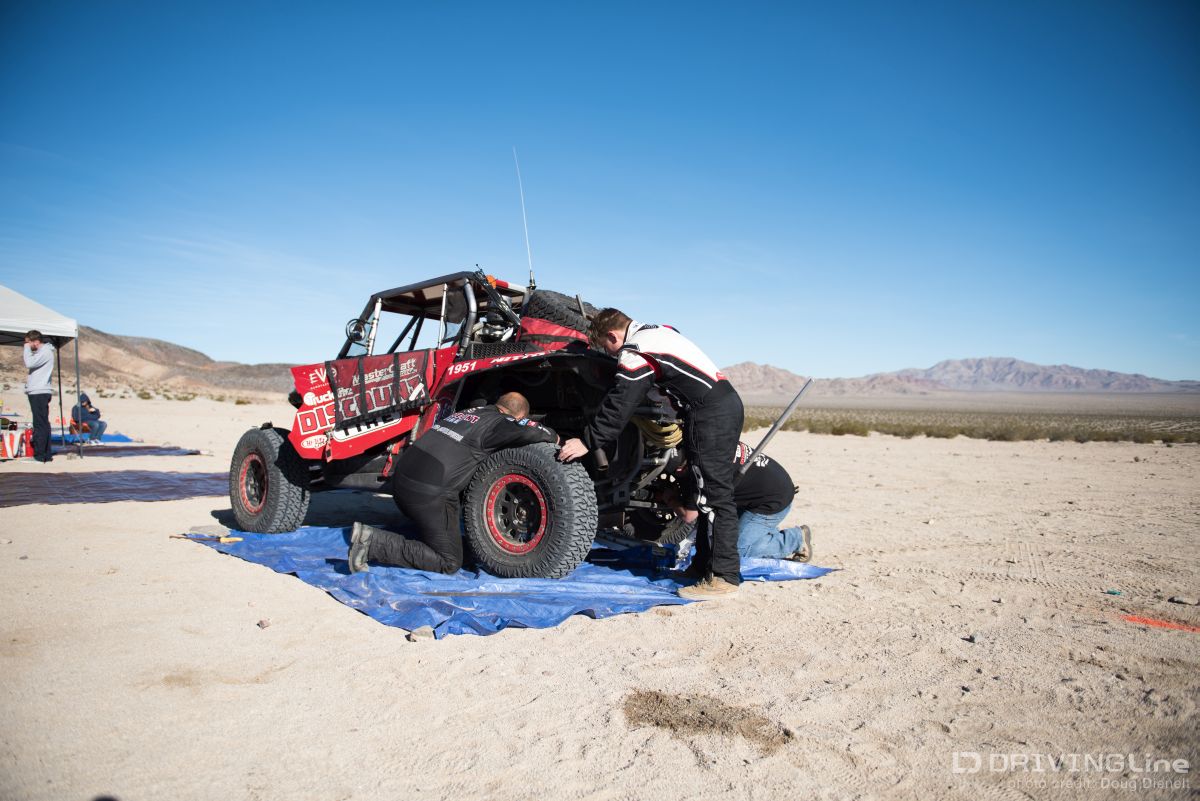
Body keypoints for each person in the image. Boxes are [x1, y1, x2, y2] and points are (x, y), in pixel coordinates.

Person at [558, 308, 745, 599]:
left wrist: (588, 440)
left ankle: (723, 577)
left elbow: (621, 402)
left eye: (607, 348)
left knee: (713, 495)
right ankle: (702, 568)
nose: (610, 355)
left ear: (613, 335)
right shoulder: (660, 331)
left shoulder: (636, 350)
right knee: (702, 491)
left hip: (711, 413)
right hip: (718, 406)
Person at [348, 392, 558, 574]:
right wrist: (556, 438)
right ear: (519, 416)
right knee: (449, 562)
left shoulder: (468, 413)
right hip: (427, 496)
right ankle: (371, 542)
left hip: (401, 483)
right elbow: (535, 431)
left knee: (457, 543)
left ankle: (436, 536)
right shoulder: (497, 424)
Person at [667, 442, 814, 562]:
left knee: (736, 550)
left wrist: (670, 499)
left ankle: (796, 539)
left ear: (681, 470)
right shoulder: (703, 442)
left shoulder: (703, 473)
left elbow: (689, 516)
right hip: (770, 484)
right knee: (723, 535)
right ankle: (764, 531)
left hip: (772, 501)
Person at [22, 330, 55, 463]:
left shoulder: (45, 352)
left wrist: (26, 348)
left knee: (40, 424)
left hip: (39, 392)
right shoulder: (43, 352)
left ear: (36, 341)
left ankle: (39, 455)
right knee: (43, 424)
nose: (27, 345)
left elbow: (29, 363)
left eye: (28, 342)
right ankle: (46, 454)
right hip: (39, 391)